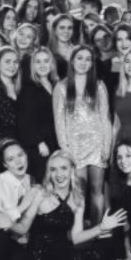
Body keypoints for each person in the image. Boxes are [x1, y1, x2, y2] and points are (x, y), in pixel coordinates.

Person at [24, 151, 127, 260]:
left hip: (65, 247)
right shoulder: (41, 194)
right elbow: (24, 225)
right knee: (62, 257)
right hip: (41, 251)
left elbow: (76, 237)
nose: (59, 174)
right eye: (53, 169)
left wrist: (102, 227)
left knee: (98, 254)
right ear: (49, 172)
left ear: (72, 170)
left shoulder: (77, 197)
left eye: (64, 168)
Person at [54, 45, 113, 225]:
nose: (83, 62)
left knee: (97, 190)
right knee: (78, 192)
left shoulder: (99, 85)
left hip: (97, 145)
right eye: (79, 58)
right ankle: (78, 231)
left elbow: (105, 118)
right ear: (72, 60)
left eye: (88, 59)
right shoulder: (61, 87)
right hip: (74, 148)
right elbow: (59, 121)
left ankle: (97, 229)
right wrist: (65, 149)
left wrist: (106, 146)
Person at [18, 48, 60, 182]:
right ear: (33, 65)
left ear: (51, 64)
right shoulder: (29, 88)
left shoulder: (56, 85)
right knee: (41, 182)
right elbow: (25, 120)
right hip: (39, 146)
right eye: (38, 62)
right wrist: (39, 142)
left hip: (55, 142)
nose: (42, 65)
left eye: (46, 61)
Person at [49, 14, 77, 78]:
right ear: (54, 30)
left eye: (69, 28)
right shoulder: (48, 52)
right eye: (62, 28)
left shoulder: (78, 50)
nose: (66, 31)